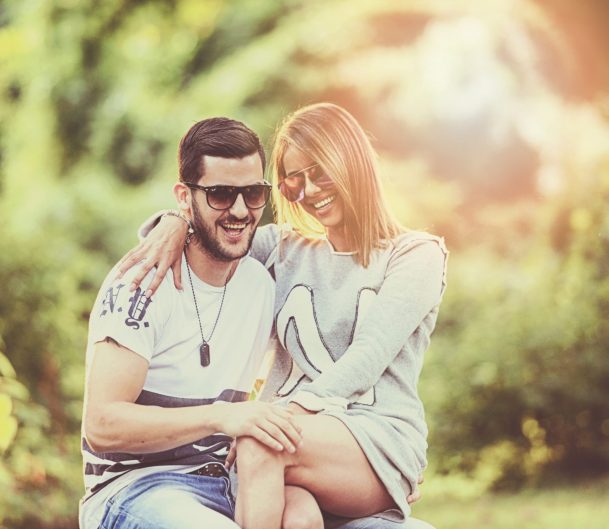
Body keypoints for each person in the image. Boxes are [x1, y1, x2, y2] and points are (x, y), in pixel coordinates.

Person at [119, 102, 448, 529]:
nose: (309, 191)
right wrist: (174, 221)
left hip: (371, 438)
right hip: (287, 449)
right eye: (294, 182)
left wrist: (276, 415)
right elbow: (211, 234)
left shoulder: (416, 255)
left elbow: (369, 356)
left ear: (353, 162)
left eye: (320, 172)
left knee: (260, 441)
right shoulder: (282, 248)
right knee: (297, 518)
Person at [79, 117, 305, 529]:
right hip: (134, 488)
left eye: (253, 193)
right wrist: (220, 416)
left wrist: (385, 460)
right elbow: (103, 424)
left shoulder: (263, 279)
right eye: (220, 194)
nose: (240, 210)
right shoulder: (142, 283)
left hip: (229, 482)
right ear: (185, 197)